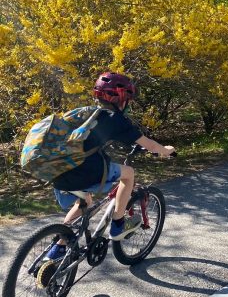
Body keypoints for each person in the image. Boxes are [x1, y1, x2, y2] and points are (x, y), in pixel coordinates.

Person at [46, 72, 175, 260]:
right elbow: (151, 146)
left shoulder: (84, 112)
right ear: (122, 99)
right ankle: (118, 224)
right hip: (84, 171)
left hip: (58, 170)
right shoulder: (116, 119)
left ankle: (58, 247)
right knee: (128, 173)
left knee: (85, 202)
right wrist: (167, 150)